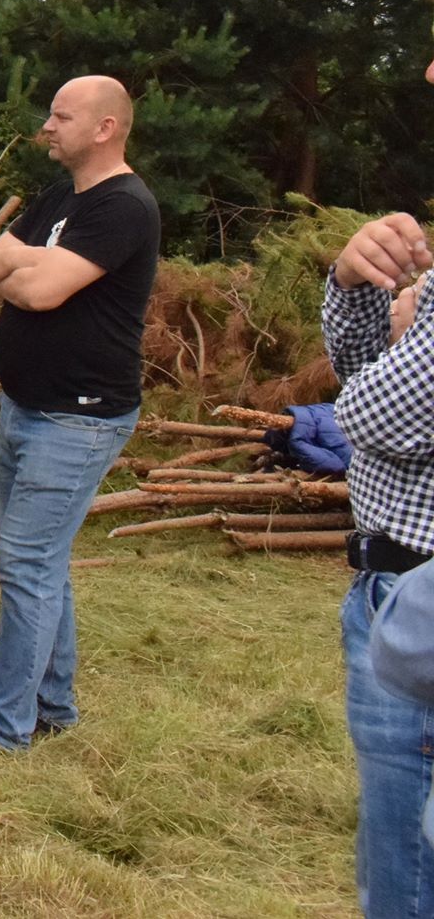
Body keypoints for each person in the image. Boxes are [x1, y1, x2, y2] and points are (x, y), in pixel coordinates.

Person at [0, 75, 160, 760]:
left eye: (63, 116)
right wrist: (16, 258)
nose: (48, 126)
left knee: (28, 565)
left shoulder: (125, 205)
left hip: (80, 418)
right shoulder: (60, 197)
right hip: (24, 406)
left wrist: (19, 259)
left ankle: (2, 730)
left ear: (106, 128)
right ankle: (53, 706)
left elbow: (36, 290)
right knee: (41, 562)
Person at [322, 59, 434, 917]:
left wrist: (406, 337)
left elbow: (369, 414)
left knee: (407, 881)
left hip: (424, 626)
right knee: (391, 860)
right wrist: (359, 286)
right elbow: (365, 378)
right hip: (392, 595)